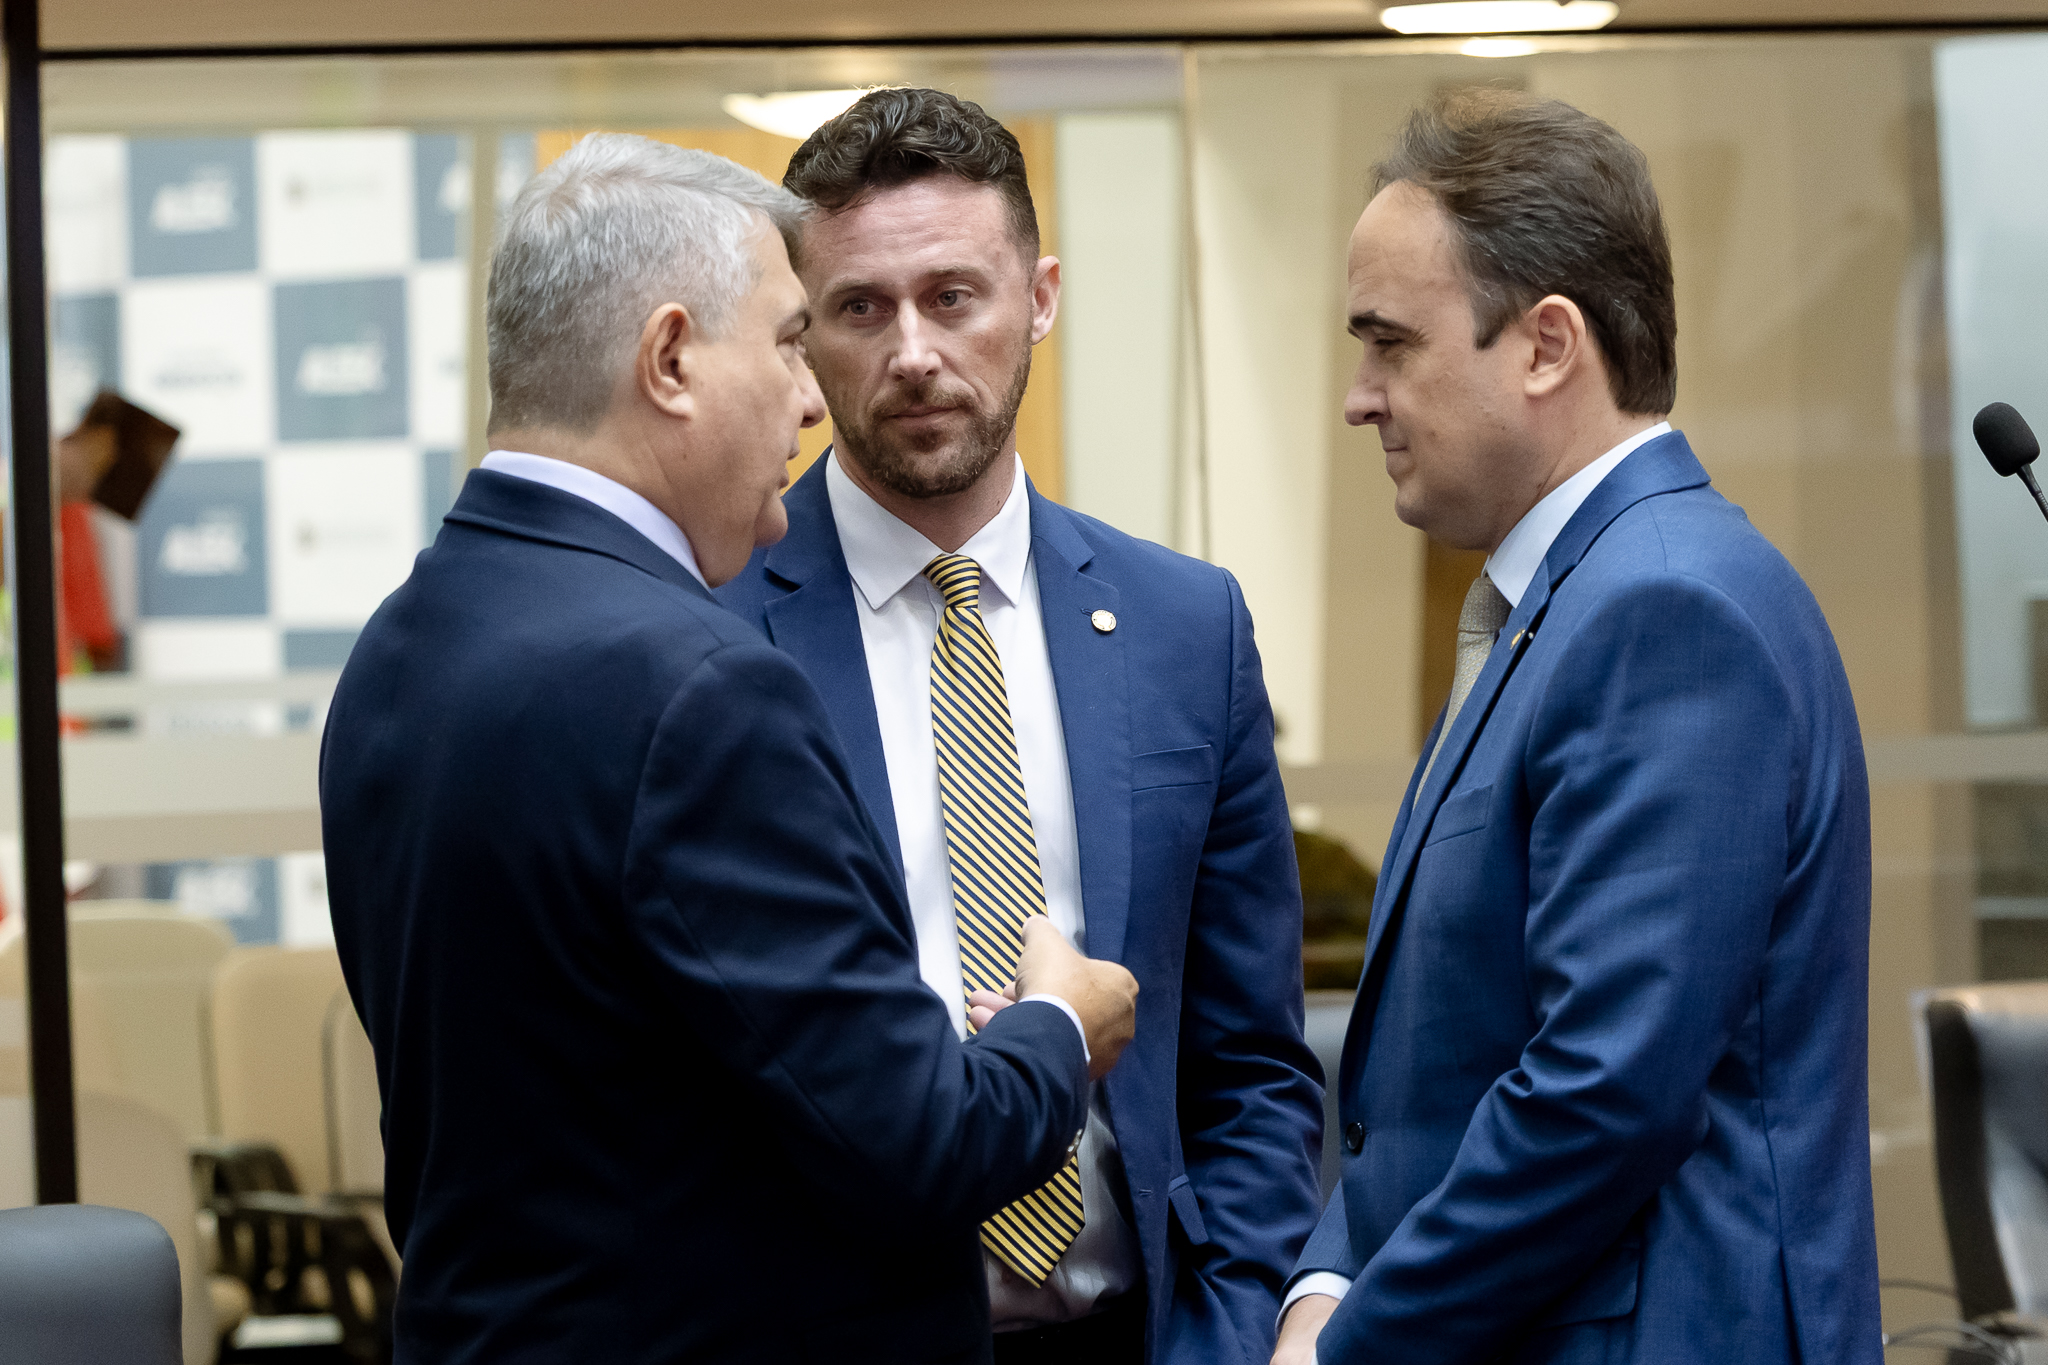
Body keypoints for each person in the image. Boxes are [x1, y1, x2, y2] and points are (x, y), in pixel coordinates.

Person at [320, 132, 1140, 1365]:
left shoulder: (403, 642)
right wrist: (1060, 1027)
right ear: (670, 361)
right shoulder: (697, 689)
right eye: (789, 341)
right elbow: (925, 1140)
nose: (811, 400)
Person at [717, 88, 1324, 1365]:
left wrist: (1230, 1327)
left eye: (953, 297)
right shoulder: (709, 633)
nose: (912, 353)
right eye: (859, 308)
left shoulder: (1184, 626)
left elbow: (1250, 1064)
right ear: (801, 333)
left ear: (1039, 299)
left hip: (1138, 1335)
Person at [1274, 91, 1880, 1365]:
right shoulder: (1562, 600)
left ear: (1546, 346)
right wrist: (1324, 1276)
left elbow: (1600, 1097)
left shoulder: (1663, 610)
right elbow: (1439, 1073)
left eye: (1390, 345)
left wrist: (1346, 1343)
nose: (1358, 399)